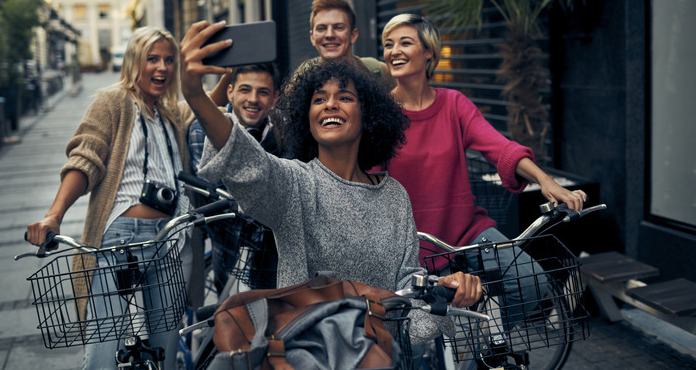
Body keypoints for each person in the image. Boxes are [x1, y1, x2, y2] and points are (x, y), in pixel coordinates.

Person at [179, 20, 482, 347]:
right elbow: (247, 161)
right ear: (307, 118)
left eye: (345, 97)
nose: (330, 104)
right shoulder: (295, 184)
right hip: (311, 356)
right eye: (319, 99)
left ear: (367, 114)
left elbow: (407, 287)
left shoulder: (394, 196)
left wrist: (444, 292)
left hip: (380, 357)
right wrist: (195, 95)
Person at [25, 26, 223, 369]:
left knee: (166, 352)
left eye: (169, 60)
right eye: (152, 59)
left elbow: (203, 109)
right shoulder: (113, 101)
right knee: (102, 355)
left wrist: (230, 72)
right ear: (134, 61)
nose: (162, 67)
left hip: (171, 240)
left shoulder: (169, 113)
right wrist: (54, 215)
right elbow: (85, 158)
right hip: (121, 239)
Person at [379, 13, 588, 321]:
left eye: (405, 43)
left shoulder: (454, 103)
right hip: (408, 244)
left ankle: (486, 342)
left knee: (530, 280)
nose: (394, 51)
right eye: (388, 44)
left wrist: (546, 181)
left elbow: (500, 147)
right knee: (423, 332)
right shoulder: (381, 112)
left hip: (466, 232)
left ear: (429, 52)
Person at [188, 62, 282, 290]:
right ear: (230, 92)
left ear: (274, 98)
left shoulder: (284, 129)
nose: (253, 99)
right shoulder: (202, 130)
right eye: (245, 90)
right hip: (227, 245)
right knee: (227, 307)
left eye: (263, 92)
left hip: (272, 252)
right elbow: (217, 183)